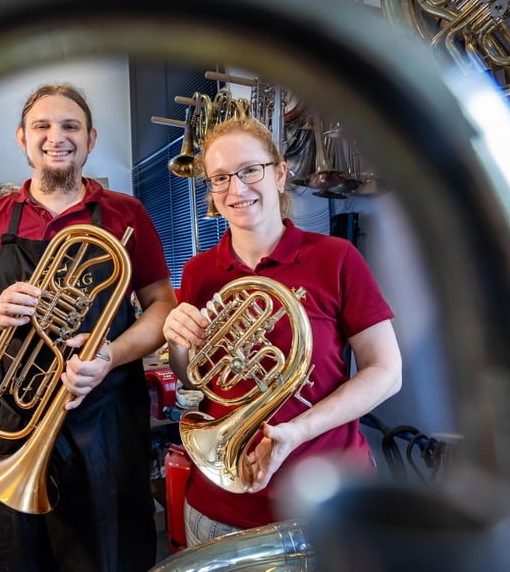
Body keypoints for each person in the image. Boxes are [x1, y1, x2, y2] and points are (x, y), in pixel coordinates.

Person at [0, 83, 176, 571]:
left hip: (102, 419)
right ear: (22, 138)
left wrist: (111, 354)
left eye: (70, 126)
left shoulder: (127, 214)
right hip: (9, 422)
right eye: (42, 126)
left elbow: (163, 308)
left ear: (91, 138)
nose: (55, 137)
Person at [162, 116, 403, 547]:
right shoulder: (199, 271)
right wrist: (177, 340)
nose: (236, 190)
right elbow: (193, 377)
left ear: (279, 173)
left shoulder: (336, 258)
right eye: (220, 179)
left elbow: (386, 371)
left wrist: (297, 432)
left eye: (249, 170)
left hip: (327, 502)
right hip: (221, 506)